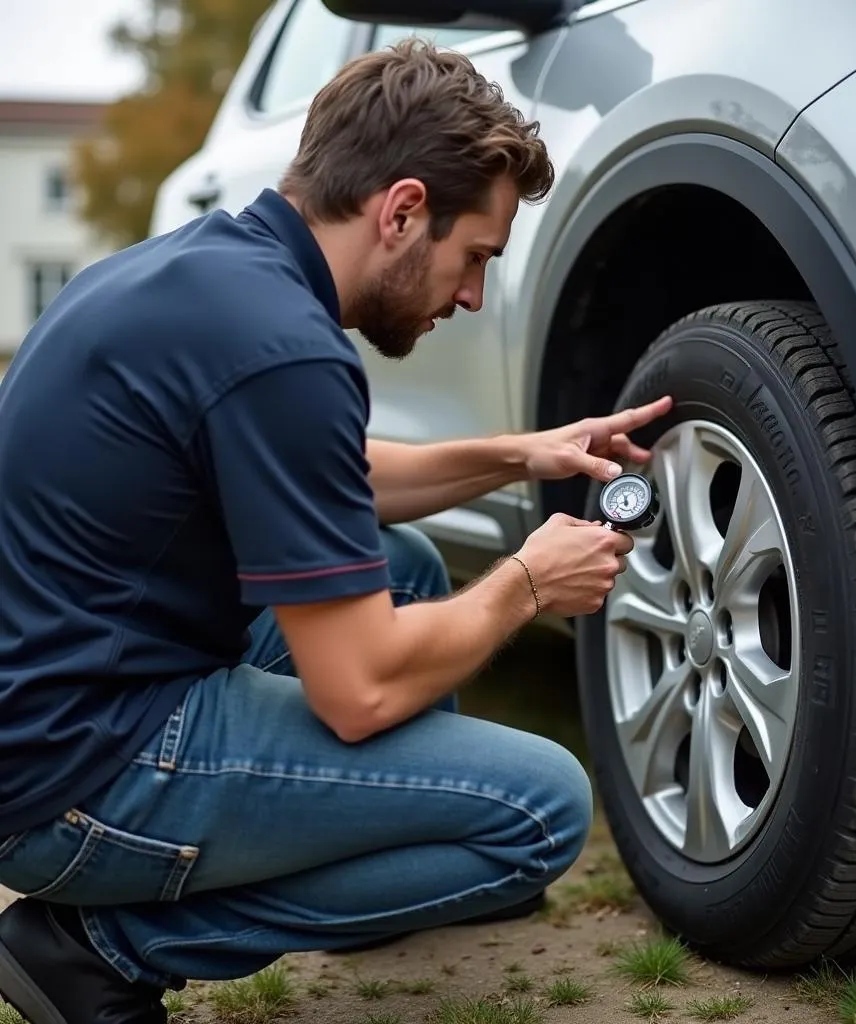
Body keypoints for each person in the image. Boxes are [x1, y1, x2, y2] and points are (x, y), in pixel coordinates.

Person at [0, 39, 671, 1024]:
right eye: (473, 256)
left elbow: (329, 477)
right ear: (400, 211)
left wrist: (521, 453)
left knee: (401, 566)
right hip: (73, 783)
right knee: (541, 811)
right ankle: (102, 949)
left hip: (45, 718)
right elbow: (356, 694)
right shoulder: (286, 350)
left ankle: (370, 845)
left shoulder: (201, 276)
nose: (474, 294)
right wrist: (525, 582)